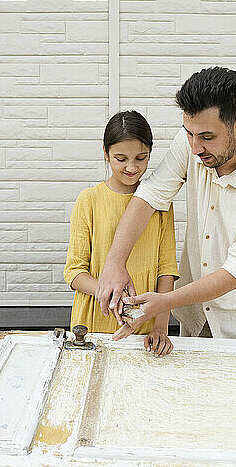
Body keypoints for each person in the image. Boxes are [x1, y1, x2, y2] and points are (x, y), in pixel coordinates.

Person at [95, 67, 236, 343]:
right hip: (197, 316)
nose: (194, 147)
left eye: (206, 137)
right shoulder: (192, 141)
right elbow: (152, 194)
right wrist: (114, 263)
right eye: (188, 133)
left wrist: (164, 301)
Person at [64, 110, 179, 357]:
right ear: (105, 153)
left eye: (141, 158)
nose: (131, 167)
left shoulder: (161, 204)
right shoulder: (89, 200)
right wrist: (113, 297)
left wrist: (160, 327)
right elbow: (74, 272)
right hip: (94, 322)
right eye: (120, 158)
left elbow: (166, 270)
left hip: (143, 328)